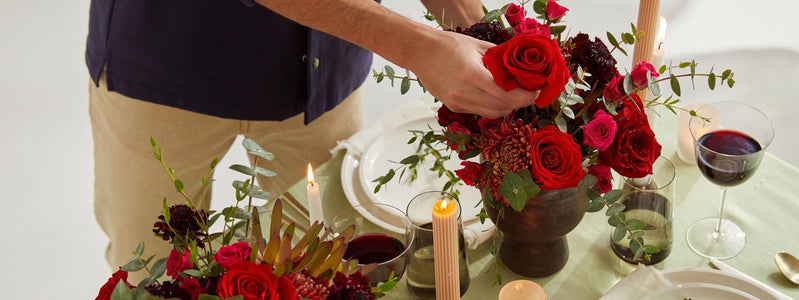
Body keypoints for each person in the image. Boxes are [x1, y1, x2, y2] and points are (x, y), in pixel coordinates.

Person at [87, 0, 540, 282]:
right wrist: (421, 48)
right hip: (164, 68)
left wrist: (480, 36)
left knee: (323, 266)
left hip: (320, 72)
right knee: (151, 275)